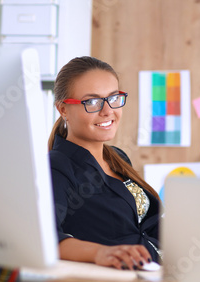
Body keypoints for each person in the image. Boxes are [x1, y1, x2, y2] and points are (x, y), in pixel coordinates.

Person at [48, 56, 161, 270]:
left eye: (114, 98)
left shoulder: (117, 158)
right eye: (92, 102)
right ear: (63, 109)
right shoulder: (57, 168)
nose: (108, 111)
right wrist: (99, 253)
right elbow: (45, 237)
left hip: (159, 273)